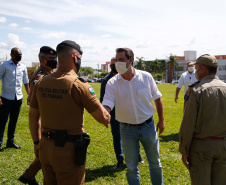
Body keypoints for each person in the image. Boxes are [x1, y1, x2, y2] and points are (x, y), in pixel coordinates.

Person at [29, 40, 111, 185]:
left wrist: (37, 143)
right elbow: (103, 118)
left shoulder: (41, 82)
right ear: (75, 57)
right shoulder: (78, 85)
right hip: (68, 152)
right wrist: (109, 108)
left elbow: (33, 116)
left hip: (45, 147)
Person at [102, 48, 165, 185]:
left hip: (148, 126)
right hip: (126, 129)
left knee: (155, 163)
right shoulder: (112, 83)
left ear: (130, 60)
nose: (117, 63)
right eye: (116, 60)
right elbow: (107, 103)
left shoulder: (146, 77)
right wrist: (104, 113)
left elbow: (157, 98)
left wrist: (161, 120)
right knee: (131, 167)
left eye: (121, 60)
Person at [179, 54, 226, 185]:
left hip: (201, 148)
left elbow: (188, 125)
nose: (195, 71)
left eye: (197, 67)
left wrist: (184, 150)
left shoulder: (196, 90)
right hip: (223, 147)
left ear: (203, 69)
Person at [19, 46, 57, 185]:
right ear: (42, 60)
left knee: (45, 155)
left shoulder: (50, 73)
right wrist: (36, 140)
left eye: (55, 58)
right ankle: (30, 176)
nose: (55, 61)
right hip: (43, 122)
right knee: (45, 156)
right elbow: (36, 109)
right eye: (51, 59)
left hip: (49, 121)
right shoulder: (39, 77)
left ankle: (28, 176)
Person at [100, 57, 144, 170]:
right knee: (117, 137)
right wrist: (106, 114)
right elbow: (103, 99)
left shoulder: (129, 76)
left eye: (117, 64)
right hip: (115, 114)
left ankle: (137, 154)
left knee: (134, 134)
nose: (115, 67)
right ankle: (120, 160)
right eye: (113, 65)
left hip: (129, 111)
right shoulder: (106, 80)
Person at [0, 47, 29, 149]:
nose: (19, 56)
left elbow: (26, 81)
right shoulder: (4, 65)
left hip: (18, 98)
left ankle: (10, 142)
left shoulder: (23, 66)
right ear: (12, 55)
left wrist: (29, 95)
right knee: (2, 121)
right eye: (17, 54)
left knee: (14, 120)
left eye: (20, 54)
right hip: (6, 98)